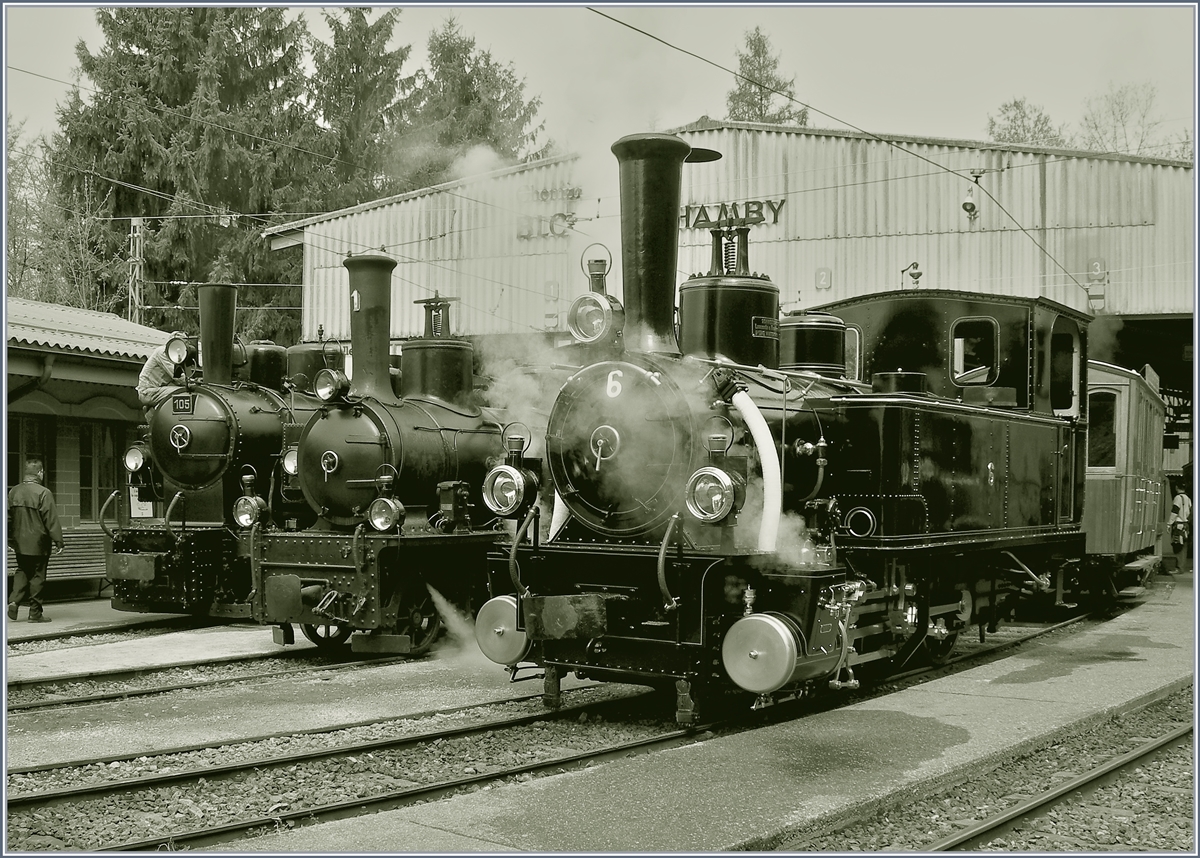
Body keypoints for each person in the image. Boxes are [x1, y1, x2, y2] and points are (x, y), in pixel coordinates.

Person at [7, 457, 64, 622]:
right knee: (38, 576)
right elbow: (51, 519)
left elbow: (7, 518)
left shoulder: (13, 492)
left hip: (19, 542)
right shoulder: (44, 493)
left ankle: (14, 601)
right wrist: (58, 541)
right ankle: (35, 613)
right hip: (39, 543)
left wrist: (9, 540)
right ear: (40, 473)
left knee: (22, 570)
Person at [137, 331, 188, 414]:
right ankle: (154, 413)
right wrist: (191, 382)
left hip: (158, 389)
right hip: (148, 391)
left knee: (182, 389)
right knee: (182, 392)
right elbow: (177, 376)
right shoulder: (162, 352)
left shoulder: (176, 356)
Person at [1168, 480, 1191, 573]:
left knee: (1177, 546)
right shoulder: (1187, 498)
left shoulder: (1178, 498)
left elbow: (1175, 511)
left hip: (1178, 525)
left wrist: (1169, 523)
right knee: (1184, 546)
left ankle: (1178, 568)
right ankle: (1181, 567)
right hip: (1185, 525)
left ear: (1176, 487)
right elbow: (1190, 511)